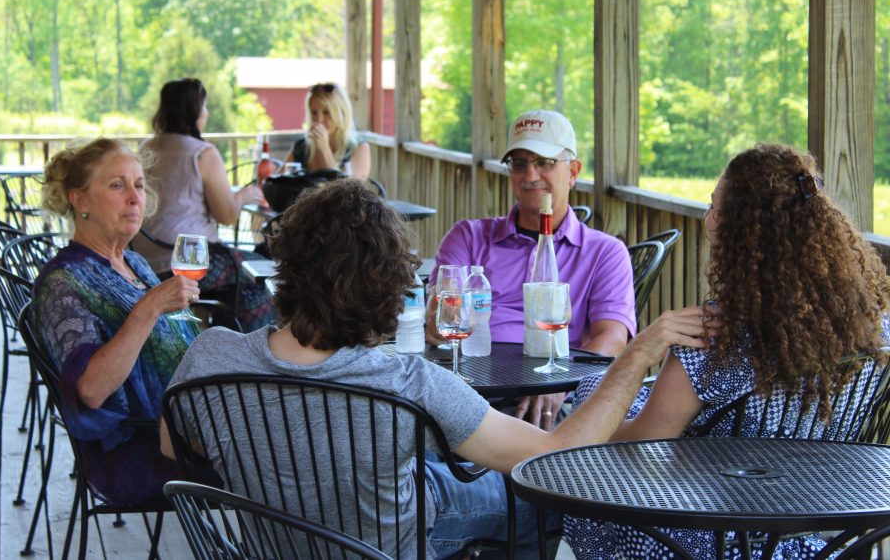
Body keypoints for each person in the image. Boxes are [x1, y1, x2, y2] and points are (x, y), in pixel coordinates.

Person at [163, 179, 711, 559]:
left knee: (429, 476)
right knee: (533, 504)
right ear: (388, 285)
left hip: (268, 546)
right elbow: (553, 459)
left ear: (288, 268)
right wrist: (638, 355)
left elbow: (172, 447)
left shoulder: (211, 355)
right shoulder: (407, 383)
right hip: (389, 549)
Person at [564, 143, 890, 560]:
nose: (708, 218)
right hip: (819, 536)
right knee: (595, 384)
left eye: (716, 208)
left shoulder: (715, 337)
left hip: (710, 534)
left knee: (588, 418)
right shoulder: (872, 327)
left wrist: (588, 419)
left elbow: (638, 452)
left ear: (741, 234)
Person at [429, 109, 635, 428]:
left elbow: (611, 339)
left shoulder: (604, 252)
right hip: (464, 387)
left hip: (543, 399)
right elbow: (438, 320)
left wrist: (561, 385)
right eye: (520, 164)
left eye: (545, 162)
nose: (530, 175)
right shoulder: (468, 238)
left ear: (574, 171)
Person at [34, 138, 203, 505]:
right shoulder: (63, 283)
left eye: (139, 185)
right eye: (117, 185)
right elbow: (91, 390)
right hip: (141, 452)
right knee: (282, 456)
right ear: (80, 201)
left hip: (189, 427)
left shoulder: (133, 264)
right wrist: (150, 306)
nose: (134, 197)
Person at [130, 77, 275, 331]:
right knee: (257, 276)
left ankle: (211, 339)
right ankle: (241, 354)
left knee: (246, 271)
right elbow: (227, 215)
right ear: (194, 111)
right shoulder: (202, 153)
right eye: (204, 107)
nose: (206, 113)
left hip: (145, 258)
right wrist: (244, 195)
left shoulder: (146, 147)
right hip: (190, 261)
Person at [287, 82, 371, 179]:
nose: (319, 119)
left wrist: (324, 148)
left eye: (327, 112)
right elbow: (277, 184)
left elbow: (347, 191)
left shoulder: (359, 148)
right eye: (314, 113)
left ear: (342, 113)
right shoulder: (302, 147)